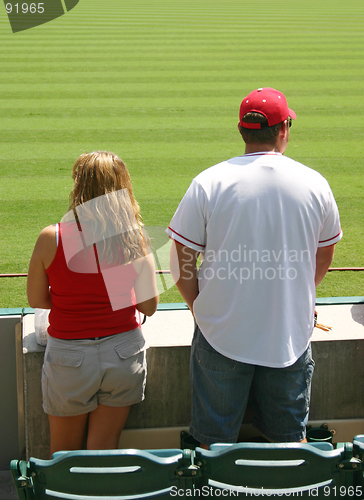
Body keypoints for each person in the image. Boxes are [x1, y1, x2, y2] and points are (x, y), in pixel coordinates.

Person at [167, 88, 342, 446]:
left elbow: (181, 256)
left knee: (212, 448)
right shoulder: (316, 184)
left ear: (241, 129)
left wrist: (198, 305)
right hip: (289, 336)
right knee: (289, 447)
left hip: (220, 334)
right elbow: (324, 255)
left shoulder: (208, 182)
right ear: (284, 129)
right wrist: (296, 296)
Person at [27, 151, 158, 456]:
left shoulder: (51, 237)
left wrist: (71, 302)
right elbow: (148, 306)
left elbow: (37, 299)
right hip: (123, 354)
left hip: (69, 357)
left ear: (78, 186)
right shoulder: (136, 239)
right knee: (104, 449)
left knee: (64, 454)